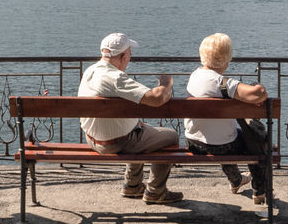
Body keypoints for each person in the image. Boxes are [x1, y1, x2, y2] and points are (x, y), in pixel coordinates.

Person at [77, 32, 183, 204]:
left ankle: (132, 186)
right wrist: (165, 84)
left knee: (139, 129)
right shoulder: (115, 78)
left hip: (92, 139)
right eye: (130, 55)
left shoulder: (91, 71)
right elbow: (156, 99)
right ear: (123, 56)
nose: (129, 59)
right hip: (115, 143)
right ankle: (156, 191)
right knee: (171, 136)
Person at [184, 32, 275, 208]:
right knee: (254, 139)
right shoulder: (223, 83)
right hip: (222, 146)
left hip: (193, 143)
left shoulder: (194, 76)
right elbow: (259, 94)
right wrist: (259, 87)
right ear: (227, 59)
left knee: (224, 135)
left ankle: (236, 180)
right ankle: (259, 190)